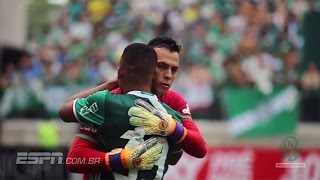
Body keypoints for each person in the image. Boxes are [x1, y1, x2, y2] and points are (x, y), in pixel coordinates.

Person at [62, 37, 207, 179]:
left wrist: (170, 128)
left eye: (174, 70)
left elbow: (196, 149)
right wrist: (121, 159)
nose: (168, 75)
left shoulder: (174, 103)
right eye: (162, 66)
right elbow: (75, 160)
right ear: (148, 65)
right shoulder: (110, 98)